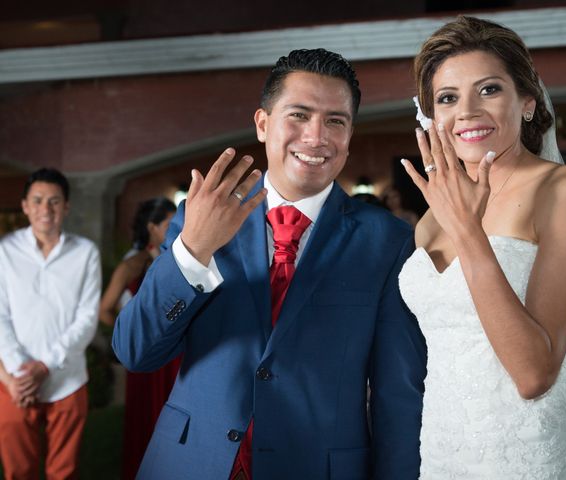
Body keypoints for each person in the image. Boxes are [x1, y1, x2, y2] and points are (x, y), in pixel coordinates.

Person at [112, 48, 427, 479]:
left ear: (350, 134)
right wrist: (192, 252)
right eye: (298, 115)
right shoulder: (197, 218)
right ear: (263, 124)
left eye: (336, 121)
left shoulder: (387, 241)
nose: (316, 136)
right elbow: (136, 351)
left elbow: (397, 395)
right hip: (190, 462)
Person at [399, 16, 566, 478]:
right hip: (444, 451)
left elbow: (534, 374)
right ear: (431, 117)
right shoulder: (429, 216)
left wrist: (468, 231)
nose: (466, 112)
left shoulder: (562, 189)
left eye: (488, 90)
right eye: (447, 98)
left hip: (529, 453)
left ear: (526, 102)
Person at [0, 167, 101, 479]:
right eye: (39, 200)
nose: (46, 209)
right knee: (19, 471)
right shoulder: (5, 251)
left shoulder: (86, 253)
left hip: (67, 379)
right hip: (15, 384)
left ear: (66, 207)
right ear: (26, 205)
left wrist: (45, 365)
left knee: (64, 473)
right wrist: (20, 374)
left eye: (55, 201)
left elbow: (87, 318)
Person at [99, 197, 177, 480]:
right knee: (148, 419)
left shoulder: (180, 257)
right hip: (147, 360)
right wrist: (128, 335)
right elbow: (105, 309)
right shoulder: (134, 264)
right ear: (153, 228)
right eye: (169, 223)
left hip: (177, 358)